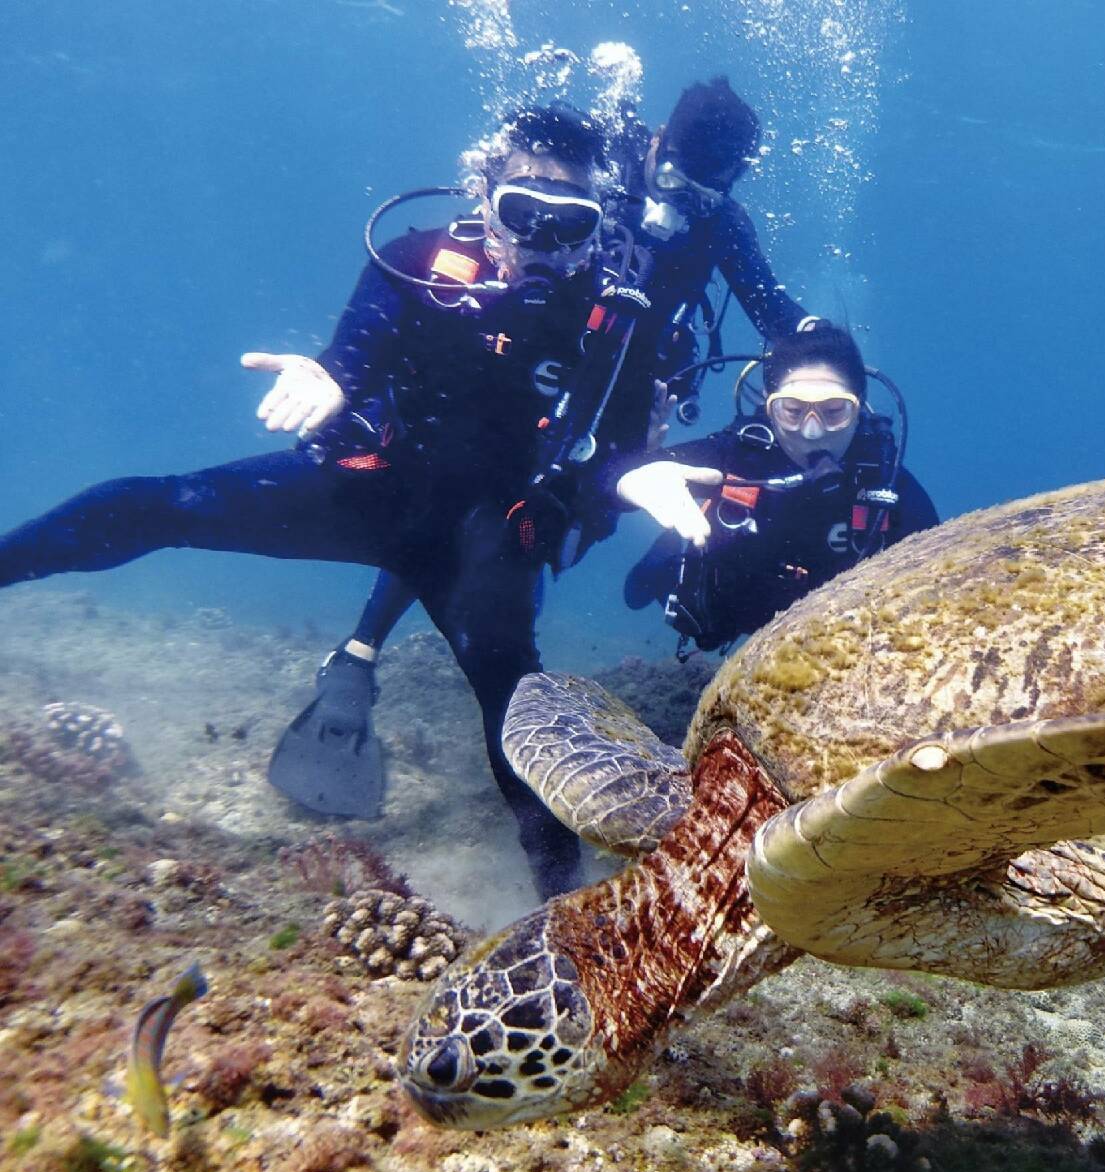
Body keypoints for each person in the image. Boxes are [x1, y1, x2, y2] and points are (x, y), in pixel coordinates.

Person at [0, 105, 646, 899]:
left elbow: (617, 454)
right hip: (372, 490)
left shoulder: (614, 323)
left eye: (567, 221)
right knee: (171, 503)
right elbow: (354, 353)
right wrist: (331, 376)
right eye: (523, 213)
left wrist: (621, 481)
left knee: (518, 710)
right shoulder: (417, 261)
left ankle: (566, 908)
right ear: (484, 200)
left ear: (594, 226)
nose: (542, 239)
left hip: (487, 538)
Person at [284, 77, 820, 809]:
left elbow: (769, 307)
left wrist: (822, 355)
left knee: (540, 530)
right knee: (463, 487)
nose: (677, 205)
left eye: (701, 195)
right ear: (656, 141)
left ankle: (496, 657)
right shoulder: (596, 169)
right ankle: (362, 651)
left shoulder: (720, 223)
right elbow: (502, 228)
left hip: (620, 395)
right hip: (533, 362)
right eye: (672, 180)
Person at [615, 324, 938, 655]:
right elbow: (619, 479)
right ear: (770, 410)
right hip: (734, 611)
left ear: (858, 410)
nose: (812, 433)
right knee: (636, 591)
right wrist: (631, 477)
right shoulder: (740, 455)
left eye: (834, 412)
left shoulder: (884, 482)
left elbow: (939, 570)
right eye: (793, 411)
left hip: (830, 640)